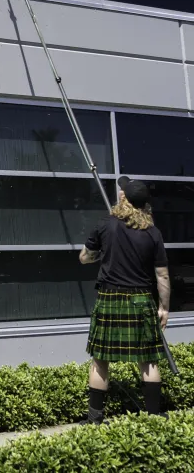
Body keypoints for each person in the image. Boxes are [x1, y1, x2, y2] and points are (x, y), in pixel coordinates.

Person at [79, 176, 170, 424]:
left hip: (109, 297)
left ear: (124, 199)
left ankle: (95, 419)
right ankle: (153, 418)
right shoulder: (153, 232)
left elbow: (85, 258)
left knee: (100, 360)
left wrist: (101, 254)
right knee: (147, 360)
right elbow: (161, 274)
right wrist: (164, 308)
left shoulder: (106, 225)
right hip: (141, 300)